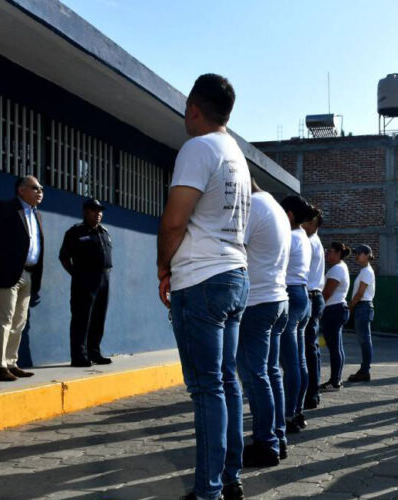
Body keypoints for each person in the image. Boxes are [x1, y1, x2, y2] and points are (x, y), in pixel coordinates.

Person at [157, 74, 251, 500]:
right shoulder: (236, 154)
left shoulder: (198, 148)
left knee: (206, 388)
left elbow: (175, 220)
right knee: (226, 381)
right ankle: (229, 478)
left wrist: (164, 269)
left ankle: (208, 491)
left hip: (201, 279)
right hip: (235, 275)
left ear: (194, 107)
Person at [236, 179, 291, 468]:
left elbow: (234, 249)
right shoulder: (275, 207)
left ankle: (265, 444)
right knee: (270, 373)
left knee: (255, 375)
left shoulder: (253, 206)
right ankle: (277, 438)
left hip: (257, 304)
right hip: (277, 300)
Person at [0, 176, 44, 382]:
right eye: (35, 188)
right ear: (21, 190)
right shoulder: (6, 208)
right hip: (7, 274)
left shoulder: (37, 215)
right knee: (3, 320)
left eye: (41, 188)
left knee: (19, 322)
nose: (40, 192)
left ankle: (11, 362)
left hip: (29, 274)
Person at [59, 198, 113, 367]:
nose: (98, 214)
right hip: (84, 278)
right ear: (85, 211)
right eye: (94, 210)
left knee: (98, 317)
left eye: (100, 211)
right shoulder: (76, 232)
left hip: (104, 278)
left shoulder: (104, 232)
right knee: (81, 318)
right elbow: (64, 257)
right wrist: (77, 275)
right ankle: (79, 356)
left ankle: (94, 353)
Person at [279, 195, 315, 435]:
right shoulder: (304, 235)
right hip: (303, 295)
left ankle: (289, 414)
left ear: (289, 214)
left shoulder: (289, 236)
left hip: (291, 294)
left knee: (290, 362)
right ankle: (297, 410)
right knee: (299, 360)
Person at [319, 242, 351, 392]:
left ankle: (335, 381)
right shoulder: (340, 267)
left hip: (333, 310)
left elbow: (327, 293)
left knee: (334, 347)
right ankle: (336, 379)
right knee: (336, 346)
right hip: (337, 309)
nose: (327, 254)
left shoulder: (337, 269)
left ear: (338, 253)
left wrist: (317, 309)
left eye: (330, 251)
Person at [302, 208, 325, 407]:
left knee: (308, 347)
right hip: (315, 296)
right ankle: (312, 390)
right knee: (312, 347)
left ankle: (310, 393)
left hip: (310, 295)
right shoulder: (315, 241)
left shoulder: (309, 242)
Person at [348, 244, 376, 382]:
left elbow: (360, 294)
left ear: (366, 254)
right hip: (363, 307)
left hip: (363, 307)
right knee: (364, 340)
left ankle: (365, 371)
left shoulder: (366, 272)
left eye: (358, 253)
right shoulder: (365, 271)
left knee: (365, 341)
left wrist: (350, 307)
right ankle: (364, 370)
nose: (356, 256)